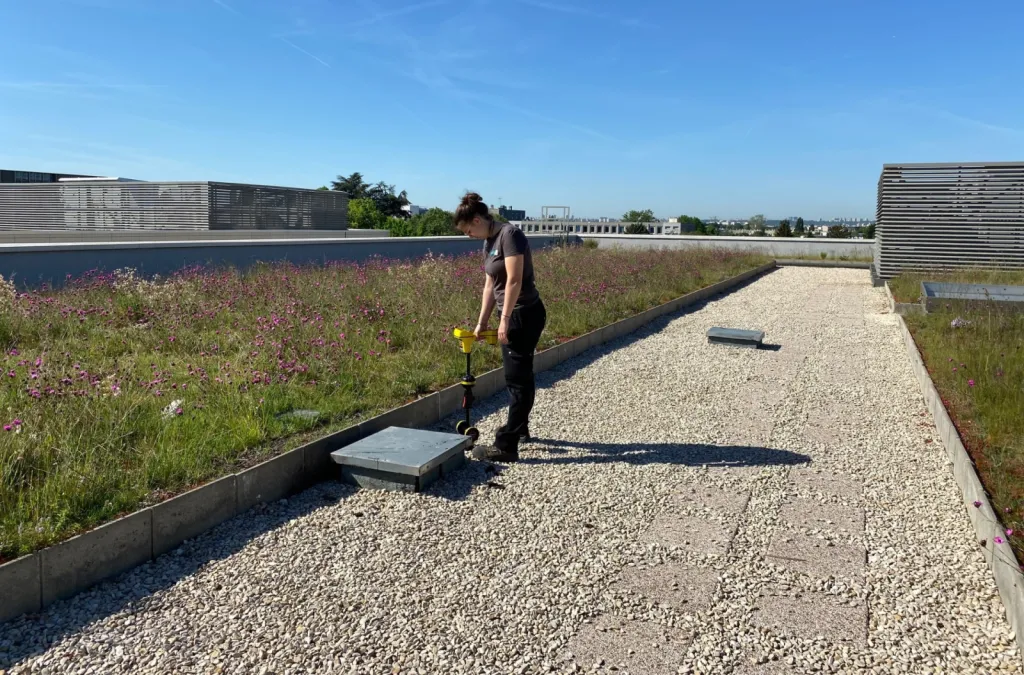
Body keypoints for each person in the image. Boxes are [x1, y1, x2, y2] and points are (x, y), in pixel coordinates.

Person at [454, 192, 547, 463]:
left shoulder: (510, 235)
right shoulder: (489, 241)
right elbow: (489, 285)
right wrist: (482, 322)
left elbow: (515, 281)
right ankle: (520, 427)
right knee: (520, 373)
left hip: (523, 313)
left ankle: (507, 444)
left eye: (469, 230)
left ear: (478, 219)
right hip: (509, 312)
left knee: (517, 379)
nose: (469, 236)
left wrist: (504, 320)